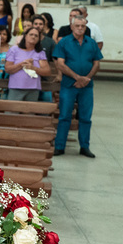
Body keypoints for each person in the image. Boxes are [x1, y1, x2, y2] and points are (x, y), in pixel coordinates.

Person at [53, 16, 102, 158]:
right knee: (64, 116)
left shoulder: (91, 43)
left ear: (86, 27)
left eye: (83, 26)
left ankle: (85, 147)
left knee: (86, 117)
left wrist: (86, 79)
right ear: (72, 26)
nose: (80, 28)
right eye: (77, 25)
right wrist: (77, 78)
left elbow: (96, 64)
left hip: (87, 86)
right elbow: (60, 64)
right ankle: (59, 146)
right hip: (69, 85)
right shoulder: (64, 42)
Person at [6, 27, 51, 102]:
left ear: (39, 39)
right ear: (25, 36)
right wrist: (22, 64)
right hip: (16, 87)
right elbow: (8, 69)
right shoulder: (14, 50)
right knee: (12, 112)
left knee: (29, 113)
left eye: (36, 36)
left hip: (33, 89)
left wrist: (33, 68)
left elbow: (47, 72)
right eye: (31, 34)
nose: (33, 37)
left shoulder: (40, 52)